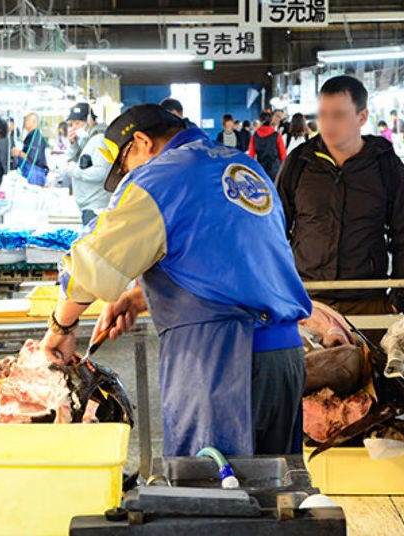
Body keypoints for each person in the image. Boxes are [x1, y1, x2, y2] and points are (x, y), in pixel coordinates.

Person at [40, 104, 311, 457]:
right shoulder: (240, 166)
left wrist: (61, 327)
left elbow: (92, 262)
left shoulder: (161, 176)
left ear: (141, 142)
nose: (127, 176)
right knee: (278, 493)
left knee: (212, 493)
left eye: (124, 166)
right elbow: (229, 260)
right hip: (284, 359)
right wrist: (140, 297)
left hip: (220, 363)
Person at [276, 75, 404, 333]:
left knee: (370, 373)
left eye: (339, 115)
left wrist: (399, 299)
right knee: (310, 374)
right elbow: (274, 229)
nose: (328, 124)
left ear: (362, 117)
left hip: (368, 300)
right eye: (323, 114)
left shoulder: (384, 165)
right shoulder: (300, 162)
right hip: (309, 302)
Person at [64, 103, 111, 224]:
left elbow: (102, 173)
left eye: (78, 123)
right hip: (89, 207)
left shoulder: (100, 140)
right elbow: (70, 161)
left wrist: (74, 170)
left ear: (90, 121)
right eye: (72, 124)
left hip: (96, 208)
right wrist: (72, 144)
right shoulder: (88, 140)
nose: (74, 127)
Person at [12, 112, 49, 186]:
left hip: (35, 173)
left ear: (34, 122)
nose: (24, 123)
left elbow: (32, 158)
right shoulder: (31, 135)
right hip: (32, 172)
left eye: (27, 121)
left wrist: (19, 153)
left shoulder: (35, 136)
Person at [248, 111, 287, 181]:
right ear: (271, 121)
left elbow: (251, 156)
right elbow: (283, 155)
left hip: (261, 169)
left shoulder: (254, 137)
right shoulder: (277, 135)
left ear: (260, 121)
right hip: (275, 169)